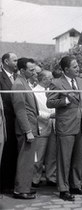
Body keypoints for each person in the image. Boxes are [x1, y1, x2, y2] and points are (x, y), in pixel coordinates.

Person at [47, 56, 82, 201]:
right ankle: (63, 189)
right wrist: (65, 100)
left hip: (81, 124)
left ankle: (75, 185)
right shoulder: (57, 83)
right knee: (64, 159)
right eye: (75, 67)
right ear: (66, 69)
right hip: (66, 126)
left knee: (78, 158)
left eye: (77, 66)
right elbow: (50, 102)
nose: (78, 69)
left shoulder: (81, 82)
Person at [11, 58, 39, 199]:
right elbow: (20, 110)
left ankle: (25, 187)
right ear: (22, 70)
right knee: (24, 161)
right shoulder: (18, 84)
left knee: (28, 161)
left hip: (31, 128)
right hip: (26, 129)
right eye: (31, 70)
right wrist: (28, 131)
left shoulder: (24, 82)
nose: (34, 72)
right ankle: (20, 190)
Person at [32, 70, 57, 187]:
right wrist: (49, 115)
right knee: (39, 155)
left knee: (52, 154)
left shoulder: (51, 91)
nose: (52, 80)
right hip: (41, 127)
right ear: (43, 79)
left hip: (53, 126)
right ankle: (35, 179)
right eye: (50, 78)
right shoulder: (34, 92)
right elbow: (35, 112)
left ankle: (51, 177)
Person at [0, 52, 18, 194]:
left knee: (13, 152)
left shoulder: (17, 77)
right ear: (6, 61)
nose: (17, 63)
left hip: (17, 120)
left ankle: (11, 182)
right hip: (5, 119)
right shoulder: (0, 77)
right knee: (5, 152)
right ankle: (4, 184)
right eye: (15, 60)